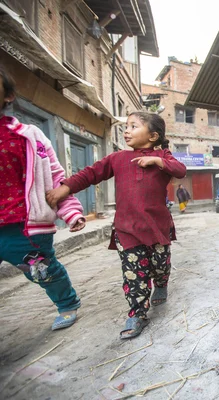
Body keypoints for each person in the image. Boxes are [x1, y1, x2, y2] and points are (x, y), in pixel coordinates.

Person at [46, 111, 186, 339]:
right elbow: (89, 174)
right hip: (127, 229)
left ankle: (161, 284)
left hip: (157, 227)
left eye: (133, 126)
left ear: (153, 136)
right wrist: (66, 187)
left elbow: (180, 170)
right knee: (134, 275)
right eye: (126, 126)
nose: (126, 130)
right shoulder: (117, 158)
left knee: (160, 265)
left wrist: (157, 160)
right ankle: (137, 313)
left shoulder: (163, 156)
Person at [0, 66, 86, 331]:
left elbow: (55, 178)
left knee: (43, 271)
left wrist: (71, 212)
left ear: (9, 95)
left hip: (24, 227)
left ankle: (67, 303)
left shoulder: (29, 136)